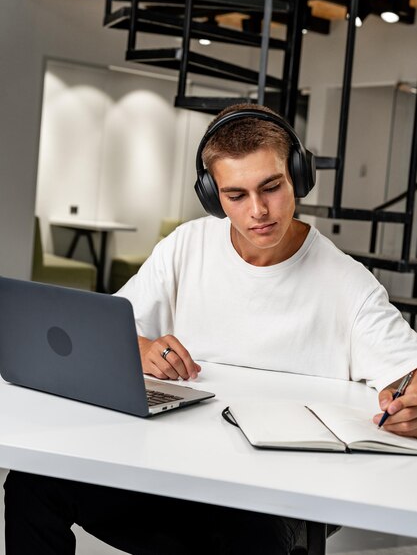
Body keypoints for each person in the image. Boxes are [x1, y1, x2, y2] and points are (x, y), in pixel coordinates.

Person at [5, 103, 417, 554]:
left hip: (277, 493)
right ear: (212, 195)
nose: (258, 211)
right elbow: (111, 328)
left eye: (272, 187)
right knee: (34, 485)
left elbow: (407, 371)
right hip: (180, 465)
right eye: (235, 195)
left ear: (298, 174)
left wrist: (411, 398)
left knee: (248, 540)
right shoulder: (187, 245)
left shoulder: (347, 283)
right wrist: (139, 345)